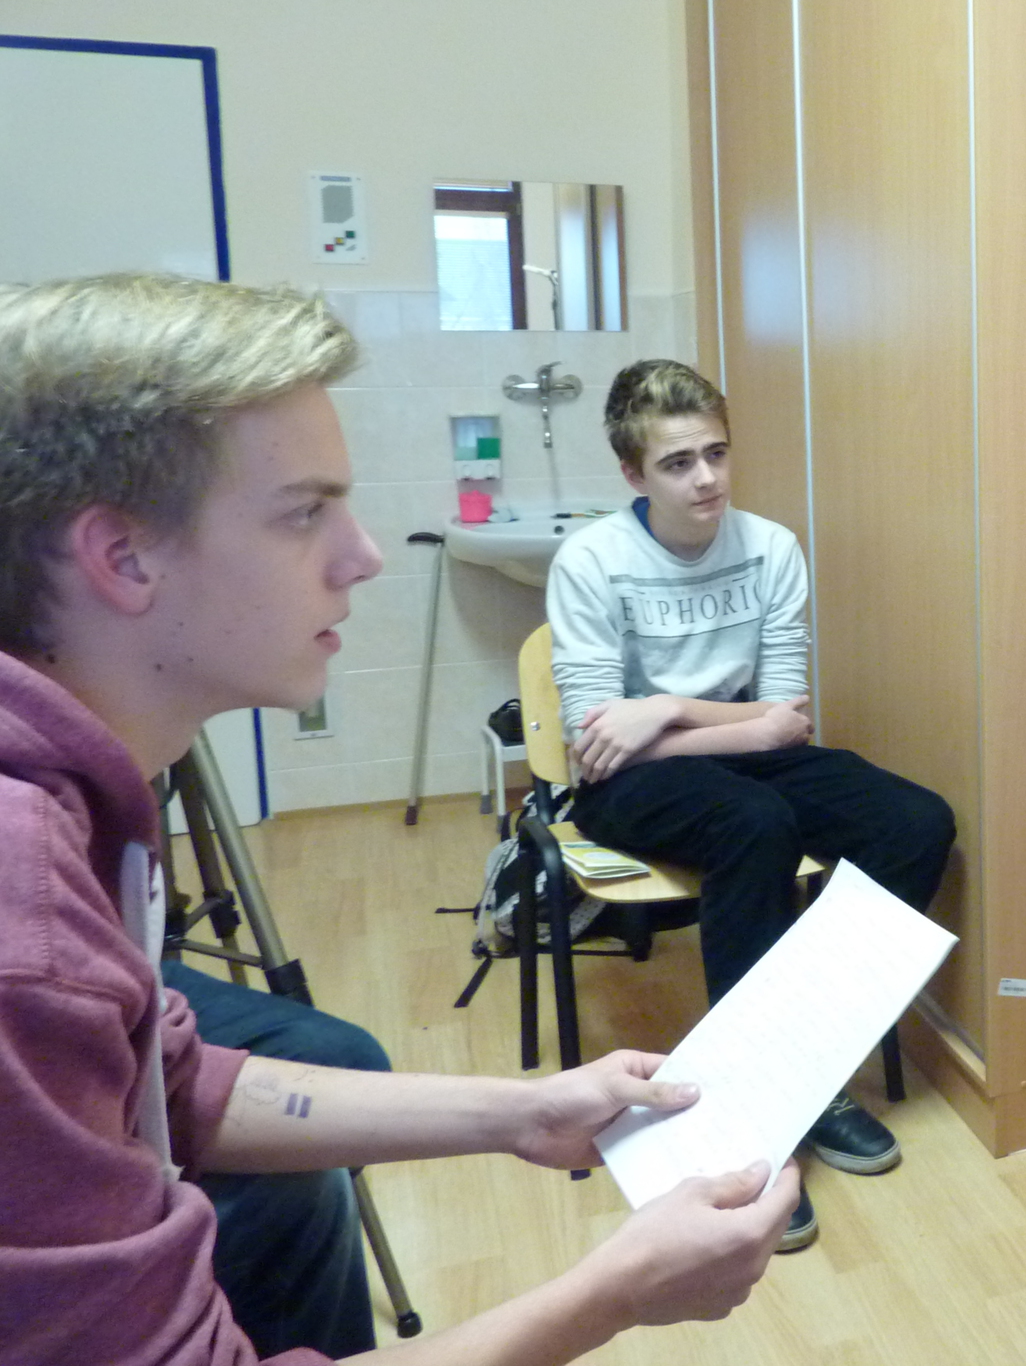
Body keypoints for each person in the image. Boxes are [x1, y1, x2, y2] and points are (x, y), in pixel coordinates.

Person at [0, 273, 797, 1366]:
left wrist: (526, 1112)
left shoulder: (77, 808)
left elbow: (169, 1081)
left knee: (318, 1108)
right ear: (123, 557)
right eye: (304, 512)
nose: (364, 555)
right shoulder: (28, 934)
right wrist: (611, 1294)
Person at [546, 358, 954, 1252]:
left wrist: (667, 708)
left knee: (916, 823)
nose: (706, 479)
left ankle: (806, 1065)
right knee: (754, 824)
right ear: (633, 474)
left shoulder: (770, 547)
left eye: (716, 454)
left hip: (728, 750)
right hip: (628, 784)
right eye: (678, 463)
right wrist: (724, 726)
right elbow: (595, 744)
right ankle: (742, 1113)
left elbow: (786, 720)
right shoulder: (592, 561)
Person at [161, 959, 392, 1360]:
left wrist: (512, 1117)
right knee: (303, 1185)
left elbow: (154, 1067)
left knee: (351, 1063)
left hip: (130, 999)